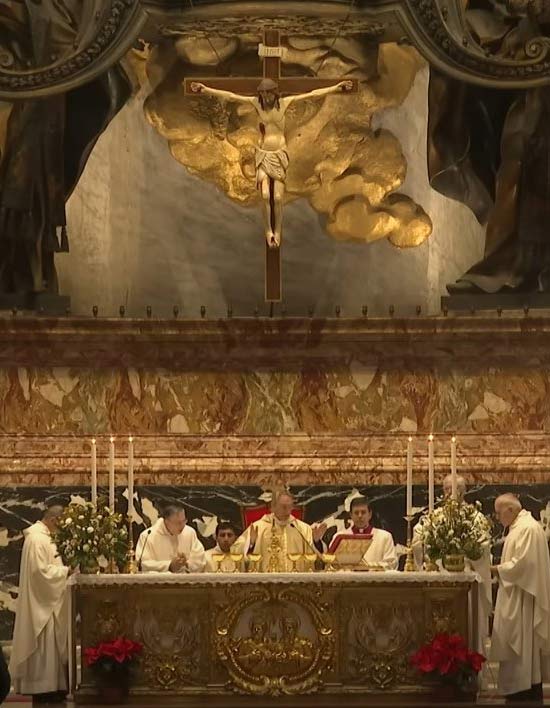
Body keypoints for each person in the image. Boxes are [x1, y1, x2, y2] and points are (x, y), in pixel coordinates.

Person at [190, 78, 352, 248]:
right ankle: (269, 232)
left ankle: (277, 231)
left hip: (278, 156)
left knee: (278, 196)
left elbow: (311, 93)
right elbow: (231, 95)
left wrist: (336, 87)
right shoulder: (257, 104)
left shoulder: (283, 104)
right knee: (266, 196)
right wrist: (205, 89)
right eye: (264, 93)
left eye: (269, 93)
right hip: (264, 156)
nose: (266, 96)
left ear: (275, 93)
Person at [490, 494, 550, 704]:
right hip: (516, 595)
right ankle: (519, 693)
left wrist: (496, 569)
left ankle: (523, 694)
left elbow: (522, 565)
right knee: (518, 651)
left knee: (522, 651)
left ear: (510, 509)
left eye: (499, 513)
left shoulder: (527, 528)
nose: (498, 518)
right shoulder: (520, 526)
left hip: (523, 599)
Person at [9, 505, 71, 703]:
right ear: (54, 520)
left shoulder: (44, 537)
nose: (62, 530)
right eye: (61, 524)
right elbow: (40, 573)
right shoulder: (37, 539)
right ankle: (43, 686)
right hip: (42, 606)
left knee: (51, 649)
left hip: (48, 601)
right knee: (45, 647)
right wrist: (65, 572)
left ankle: (53, 686)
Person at [233, 491, 324, 572]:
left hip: (295, 582)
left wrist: (316, 542)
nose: (286, 510)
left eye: (289, 506)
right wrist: (251, 544)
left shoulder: (303, 529)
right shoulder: (258, 527)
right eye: (283, 506)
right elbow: (236, 550)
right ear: (273, 507)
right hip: (265, 582)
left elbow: (318, 559)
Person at [329, 497, 398, 570]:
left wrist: (366, 566)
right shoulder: (340, 538)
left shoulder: (384, 537)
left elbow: (391, 564)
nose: (360, 516)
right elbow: (331, 565)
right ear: (351, 515)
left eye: (363, 512)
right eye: (356, 513)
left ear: (370, 514)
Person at [136, 504, 206, 573]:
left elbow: (199, 558)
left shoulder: (189, 532)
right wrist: (169, 565)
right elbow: (144, 564)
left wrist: (186, 564)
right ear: (166, 521)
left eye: (184, 521)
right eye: (178, 523)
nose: (183, 526)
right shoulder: (148, 536)